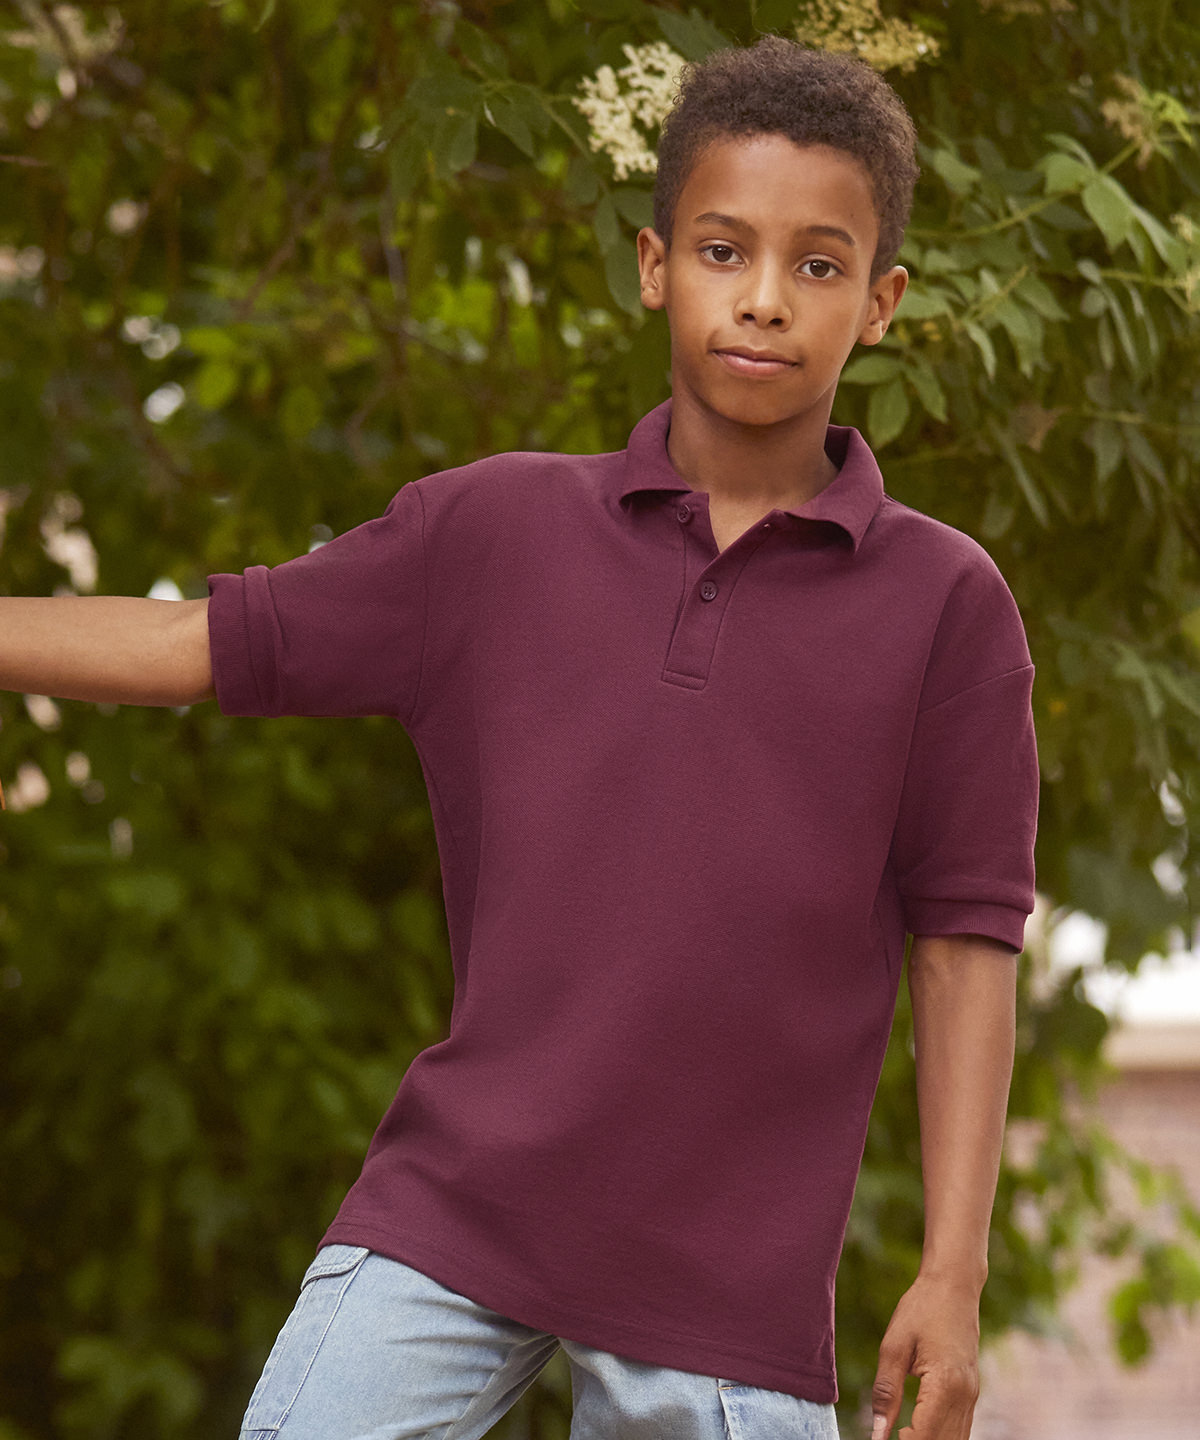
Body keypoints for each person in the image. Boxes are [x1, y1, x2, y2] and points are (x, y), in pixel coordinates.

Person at [0, 36, 1037, 1440]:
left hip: (725, 1301)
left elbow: (966, 943)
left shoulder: (947, 605)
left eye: (817, 264)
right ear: (654, 263)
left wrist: (954, 1275)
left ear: (882, 301)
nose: (764, 297)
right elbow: (201, 643)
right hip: (455, 1219)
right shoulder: (491, 533)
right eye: (724, 249)